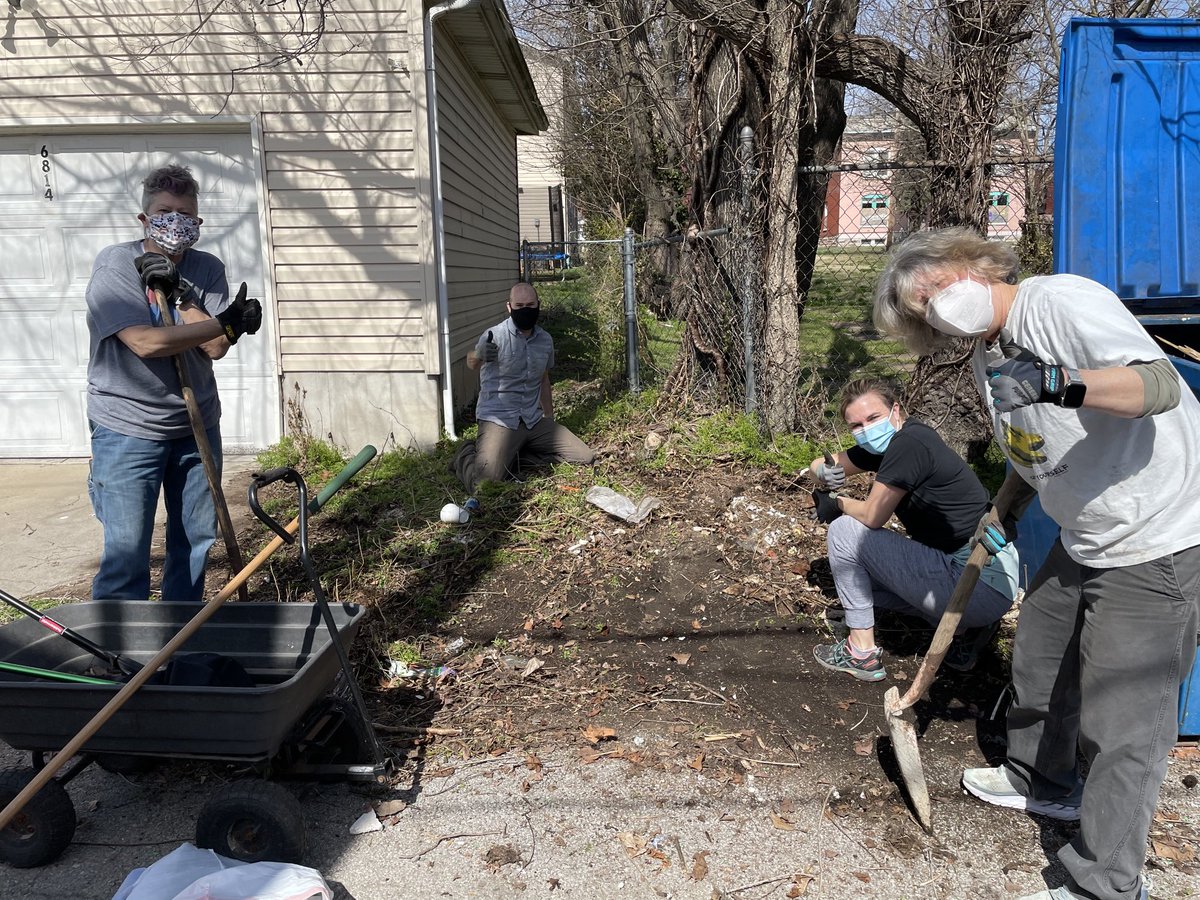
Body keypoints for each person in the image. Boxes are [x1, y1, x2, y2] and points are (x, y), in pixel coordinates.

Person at [873, 226, 1200, 900]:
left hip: (1159, 529)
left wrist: (1059, 380)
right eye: (921, 308)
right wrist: (1005, 510)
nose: (937, 307)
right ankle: (1040, 781)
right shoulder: (982, 356)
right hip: (1089, 528)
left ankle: (1106, 882)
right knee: (1042, 654)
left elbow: (1159, 387)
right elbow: (1033, 445)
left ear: (973, 264)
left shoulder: (1059, 303)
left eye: (935, 287)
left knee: (1123, 721)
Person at [85, 164, 262, 602]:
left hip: (196, 423)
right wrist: (222, 323)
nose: (175, 222)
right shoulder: (116, 265)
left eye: (186, 214)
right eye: (165, 211)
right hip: (128, 428)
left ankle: (181, 642)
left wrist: (182, 294)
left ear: (198, 222)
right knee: (127, 554)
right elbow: (145, 342)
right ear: (144, 218)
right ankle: (118, 659)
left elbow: (216, 348)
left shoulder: (206, 268)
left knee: (194, 544)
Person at [809, 377, 1019, 682]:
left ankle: (860, 653)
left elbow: (872, 516)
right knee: (860, 585)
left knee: (844, 531)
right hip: (987, 585)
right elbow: (818, 464)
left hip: (974, 580)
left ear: (895, 409)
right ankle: (966, 627)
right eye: (856, 426)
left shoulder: (908, 445)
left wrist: (836, 503)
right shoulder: (895, 441)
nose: (866, 430)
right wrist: (824, 472)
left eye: (873, 418)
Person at [451, 282, 594, 502]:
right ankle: (466, 454)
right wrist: (478, 354)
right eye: (519, 305)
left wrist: (549, 416)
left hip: (532, 419)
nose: (525, 309)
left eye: (530, 304)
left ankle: (510, 454)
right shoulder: (494, 335)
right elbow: (472, 363)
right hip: (499, 419)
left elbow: (544, 379)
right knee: (485, 484)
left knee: (584, 456)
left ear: (538, 305)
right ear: (509, 307)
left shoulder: (545, 340)